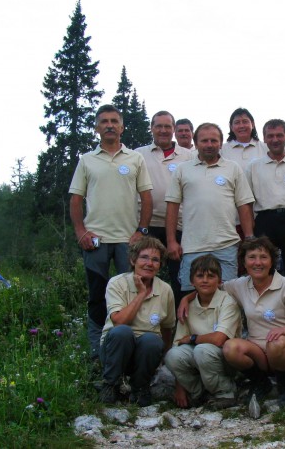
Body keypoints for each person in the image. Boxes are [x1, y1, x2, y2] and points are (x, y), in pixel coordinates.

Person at [179, 237, 285, 406]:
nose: (258, 262)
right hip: (259, 352)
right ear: (244, 262)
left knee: (276, 343)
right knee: (230, 347)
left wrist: (284, 331)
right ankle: (261, 382)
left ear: (272, 261)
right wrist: (186, 299)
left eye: (263, 257)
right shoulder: (240, 285)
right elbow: (211, 286)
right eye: (252, 257)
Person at [69, 104, 153, 361]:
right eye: (104, 121)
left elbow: (147, 198)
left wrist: (141, 230)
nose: (109, 125)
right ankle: (98, 351)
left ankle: (132, 345)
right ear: (96, 127)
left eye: (114, 121)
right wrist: (80, 231)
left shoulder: (135, 159)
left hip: (128, 241)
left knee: (133, 292)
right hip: (96, 241)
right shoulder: (87, 160)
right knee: (97, 294)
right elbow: (75, 199)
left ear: (122, 126)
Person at [165, 122, 256, 294]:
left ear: (221, 143)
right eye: (204, 140)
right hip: (192, 247)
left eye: (214, 141)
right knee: (191, 299)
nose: (209, 145)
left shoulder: (233, 168)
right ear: (196, 143)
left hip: (227, 246)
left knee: (228, 298)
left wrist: (250, 238)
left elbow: (243, 205)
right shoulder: (182, 170)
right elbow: (172, 207)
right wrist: (171, 241)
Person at [99, 237, 175, 407]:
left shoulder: (165, 290)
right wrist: (141, 294)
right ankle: (111, 384)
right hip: (115, 349)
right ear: (133, 260)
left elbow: (167, 328)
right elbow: (119, 321)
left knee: (152, 340)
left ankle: (140, 387)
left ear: (160, 265)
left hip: (144, 354)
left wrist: (163, 357)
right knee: (122, 332)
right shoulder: (117, 283)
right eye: (144, 257)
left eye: (155, 260)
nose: (150, 263)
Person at [165, 255, 242, 409]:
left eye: (211, 276)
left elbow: (219, 339)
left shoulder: (227, 302)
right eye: (200, 276)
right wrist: (179, 387)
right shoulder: (187, 306)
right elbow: (178, 343)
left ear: (220, 281)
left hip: (225, 360)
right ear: (192, 281)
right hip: (200, 359)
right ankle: (198, 393)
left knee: (202, 350)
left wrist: (193, 338)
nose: (205, 280)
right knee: (172, 355)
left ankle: (226, 392)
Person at [246, 119, 285, 298]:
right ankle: (266, 318)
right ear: (264, 139)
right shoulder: (253, 167)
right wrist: (250, 234)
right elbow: (247, 203)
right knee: (264, 272)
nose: (275, 139)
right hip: (265, 221)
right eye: (270, 136)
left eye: (279, 135)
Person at [136, 110, 193, 299]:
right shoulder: (138, 155)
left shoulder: (189, 155)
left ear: (174, 129)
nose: (163, 130)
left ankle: (179, 323)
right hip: (147, 225)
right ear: (151, 128)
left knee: (180, 280)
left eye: (167, 126)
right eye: (158, 126)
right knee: (143, 278)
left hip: (180, 226)